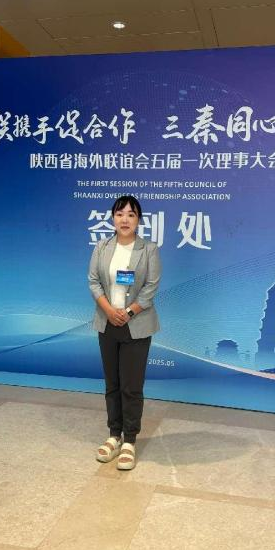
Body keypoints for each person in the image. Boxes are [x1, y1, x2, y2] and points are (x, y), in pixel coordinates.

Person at [88, 195, 161, 470]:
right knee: (112, 384)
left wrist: (128, 312)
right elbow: (93, 281)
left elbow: (151, 288)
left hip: (136, 324)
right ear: (112, 218)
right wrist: (109, 310)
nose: (125, 219)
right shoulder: (102, 247)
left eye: (131, 214)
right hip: (107, 322)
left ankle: (129, 440)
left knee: (131, 386)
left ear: (138, 220)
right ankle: (114, 435)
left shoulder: (149, 249)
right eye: (120, 214)